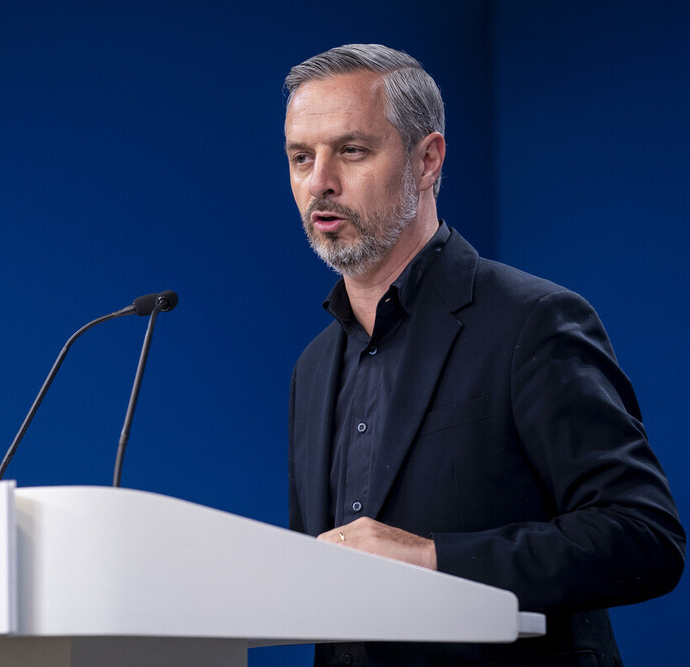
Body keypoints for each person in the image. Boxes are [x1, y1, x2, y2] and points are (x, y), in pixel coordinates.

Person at [285, 44, 684, 667]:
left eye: (352, 150)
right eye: (301, 158)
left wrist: (431, 558)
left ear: (427, 160)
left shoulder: (532, 321)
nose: (320, 182)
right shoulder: (313, 368)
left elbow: (644, 539)